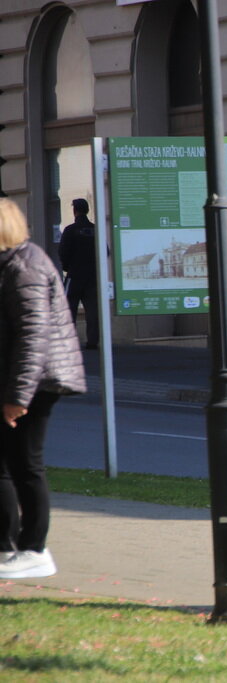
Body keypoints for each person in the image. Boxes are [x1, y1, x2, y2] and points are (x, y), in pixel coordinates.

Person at [0, 198, 86, 579]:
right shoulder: (10, 263)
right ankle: (7, 549)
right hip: (15, 380)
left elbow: (33, 337)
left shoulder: (25, 265)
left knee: (25, 464)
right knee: (6, 465)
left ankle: (34, 549)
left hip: (34, 382)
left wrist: (17, 398)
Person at [58, 198, 98, 349]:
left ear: (75, 211)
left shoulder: (70, 230)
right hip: (92, 276)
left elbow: (62, 252)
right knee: (92, 309)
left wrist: (68, 267)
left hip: (74, 275)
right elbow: (105, 251)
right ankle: (93, 341)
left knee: (69, 308)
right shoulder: (96, 230)